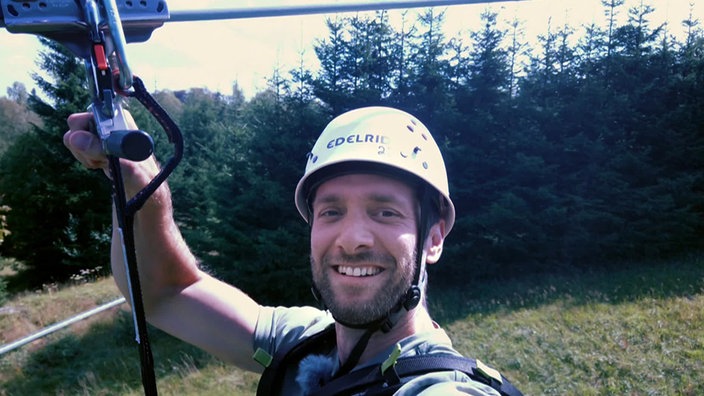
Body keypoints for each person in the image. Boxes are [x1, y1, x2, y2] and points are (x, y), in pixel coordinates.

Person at [64, 106, 519, 395]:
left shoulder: (439, 388)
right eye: (331, 212)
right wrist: (141, 184)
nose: (351, 239)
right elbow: (165, 292)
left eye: (385, 213)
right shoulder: (302, 341)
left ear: (433, 238)